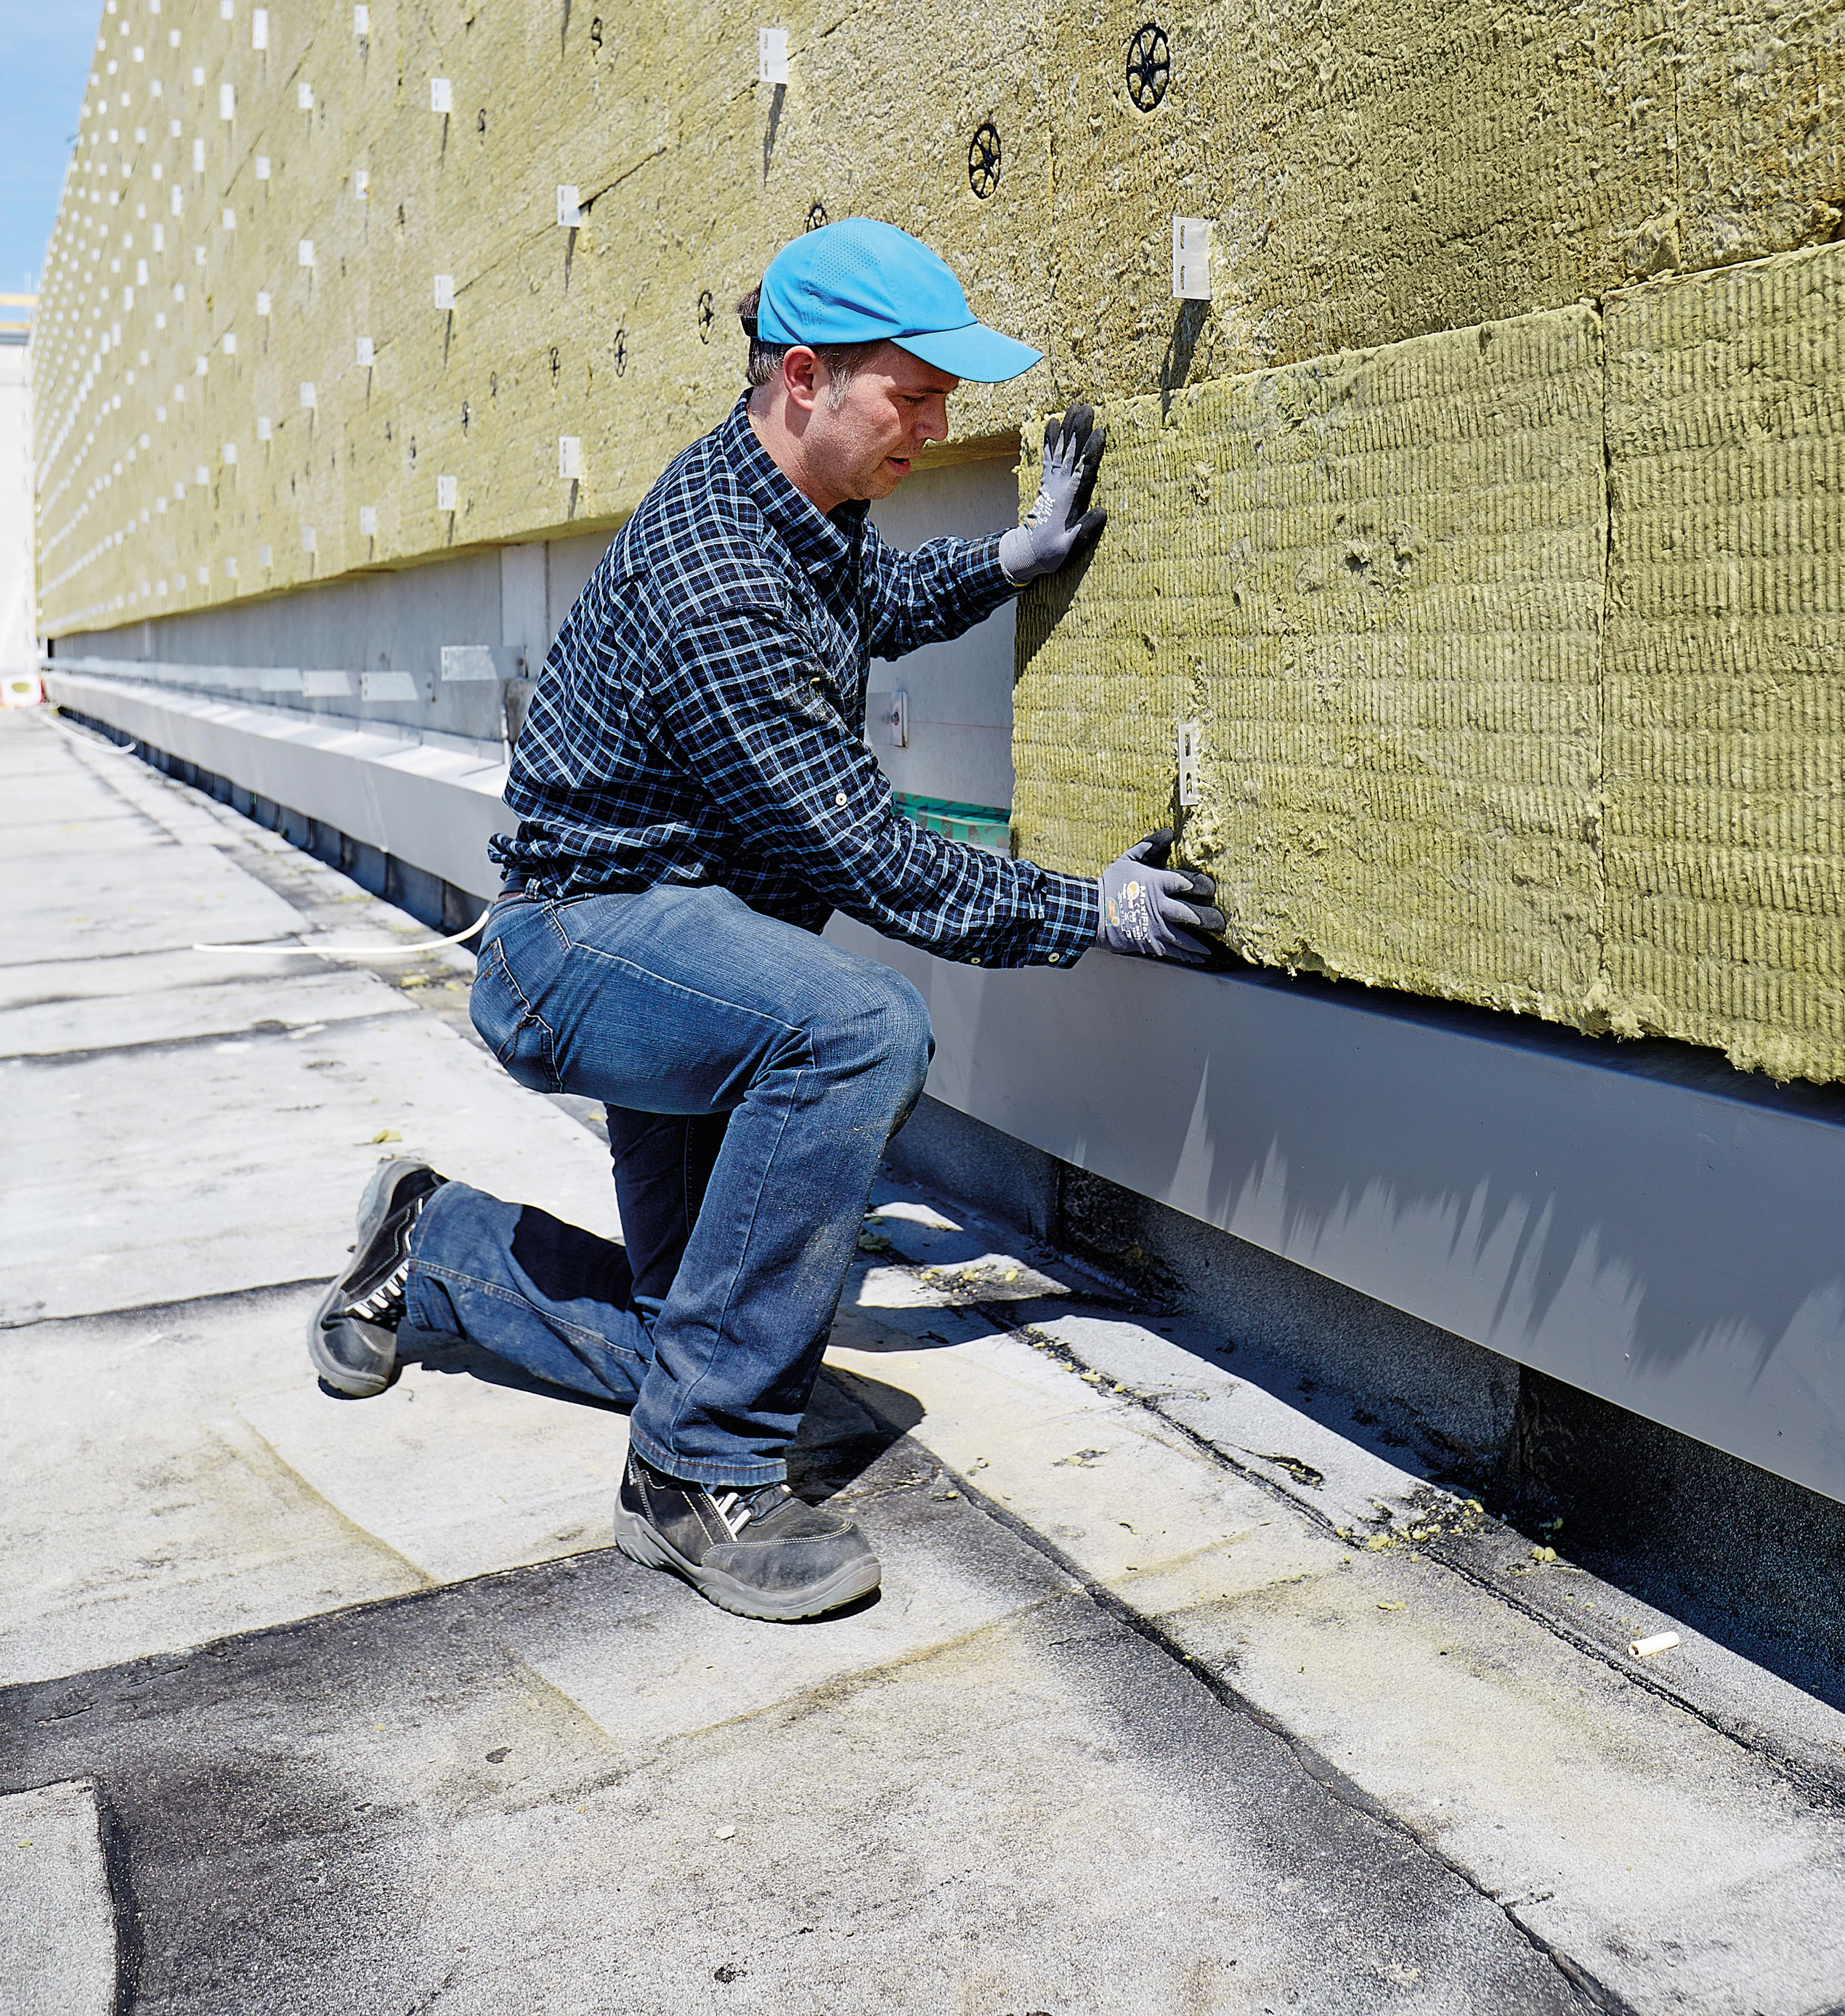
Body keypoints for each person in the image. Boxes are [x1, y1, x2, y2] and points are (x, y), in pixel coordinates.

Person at [307, 219, 1224, 1622]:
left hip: (687, 951)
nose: (938, 426)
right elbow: (866, 854)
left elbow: (861, 603)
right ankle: (693, 1481)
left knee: (692, 1340)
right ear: (805, 378)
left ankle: (433, 1245)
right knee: (858, 1032)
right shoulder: (719, 575)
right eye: (913, 397)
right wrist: (1084, 908)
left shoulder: (792, 508)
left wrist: (1003, 561)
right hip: (586, 950)